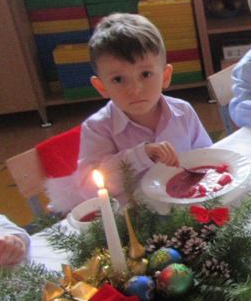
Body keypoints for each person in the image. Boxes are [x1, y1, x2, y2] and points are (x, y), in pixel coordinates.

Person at [74, 13, 212, 203]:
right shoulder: (97, 128)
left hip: (187, 206)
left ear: (165, 76)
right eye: (118, 79)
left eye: (145, 74)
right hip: (135, 215)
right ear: (101, 87)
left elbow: (206, 157)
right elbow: (88, 189)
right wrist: (140, 156)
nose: (135, 89)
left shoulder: (183, 112)